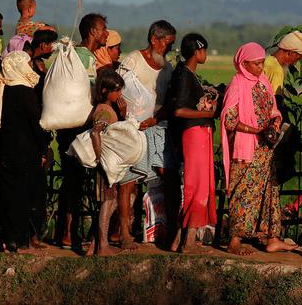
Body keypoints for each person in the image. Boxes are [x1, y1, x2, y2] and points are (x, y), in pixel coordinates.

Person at [221, 43, 292, 255]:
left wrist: (275, 123)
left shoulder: (263, 82)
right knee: (242, 191)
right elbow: (229, 119)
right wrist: (256, 130)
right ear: (244, 64)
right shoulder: (237, 84)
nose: (261, 67)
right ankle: (234, 240)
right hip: (247, 147)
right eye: (257, 63)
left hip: (264, 148)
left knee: (268, 191)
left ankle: (271, 237)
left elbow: (272, 108)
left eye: (262, 63)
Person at [120, 20, 177, 245]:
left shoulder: (168, 68)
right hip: (135, 128)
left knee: (168, 176)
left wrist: (156, 118)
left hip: (158, 126)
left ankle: (171, 230)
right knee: (128, 182)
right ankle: (125, 232)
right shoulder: (133, 60)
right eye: (166, 44)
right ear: (154, 40)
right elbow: (121, 93)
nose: (168, 50)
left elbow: (169, 101)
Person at [54, 12, 108, 250]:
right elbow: (88, 91)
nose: (106, 33)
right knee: (74, 182)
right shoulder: (84, 57)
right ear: (93, 32)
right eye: (103, 29)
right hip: (78, 127)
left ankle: (65, 233)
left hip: (68, 126)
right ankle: (68, 234)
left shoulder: (75, 53)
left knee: (71, 181)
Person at [0, 51, 48, 252]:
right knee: (25, 194)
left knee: (8, 194)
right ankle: (21, 238)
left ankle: (8, 239)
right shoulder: (26, 93)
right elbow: (36, 125)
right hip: (27, 152)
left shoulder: (2, 90)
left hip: (6, 150)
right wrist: (44, 148)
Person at [169, 33, 216, 253]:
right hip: (194, 133)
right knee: (197, 187)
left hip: (196, 133)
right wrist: (208, 113)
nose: (205, 54)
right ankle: (188, 242)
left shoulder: (186, 73)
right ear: (197, 52)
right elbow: (179, 110)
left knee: (195, 185)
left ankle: (179, 239)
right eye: (204, 50)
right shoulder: (186, 75)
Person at [89, 69, 127, 257]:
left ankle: (95, 245)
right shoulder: (104, 111)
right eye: (117, 90)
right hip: (106, 165)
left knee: (110, 200)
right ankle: (103, 246)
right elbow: (96, 132)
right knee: (108, 202)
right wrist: (99, 157)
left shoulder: (108, 109)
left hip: (108, 164)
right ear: (105, 91)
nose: (119, 94)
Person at [264, 28, 302, 98]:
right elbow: (276, 99)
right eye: (297, 59)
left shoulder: (267, 60)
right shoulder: (276, 69)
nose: (294, 63)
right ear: (290, 53)